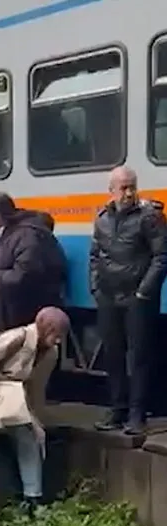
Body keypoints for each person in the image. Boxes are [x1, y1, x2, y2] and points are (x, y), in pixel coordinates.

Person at [0, 307, 70, 515]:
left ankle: (32, 496)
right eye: (56, 335)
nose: (58, 341)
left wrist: (37, 417)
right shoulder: (19, 336)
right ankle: (32, 495)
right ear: (46, 329)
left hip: (20, 399)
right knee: (25, 432)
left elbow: (37, 387)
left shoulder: (51, 353)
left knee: (35, 435)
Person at [89, 166, 167, 435]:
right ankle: (117, 409)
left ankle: (137, 414)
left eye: (132, 186)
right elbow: (95, 256)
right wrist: (96, 288)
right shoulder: (101, 219)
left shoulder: (151, 217)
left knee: (140, 356)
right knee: (113, 355)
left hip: (138, 299)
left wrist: (144, 292)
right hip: (109, 297)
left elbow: (161, 257)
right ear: (111, 190)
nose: (129, 193)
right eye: (123, 188)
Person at [0, 192, 67, 332]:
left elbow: (24, 274)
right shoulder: (23, 230)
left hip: (25, 308)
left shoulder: (25, 234)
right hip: (27, 305)